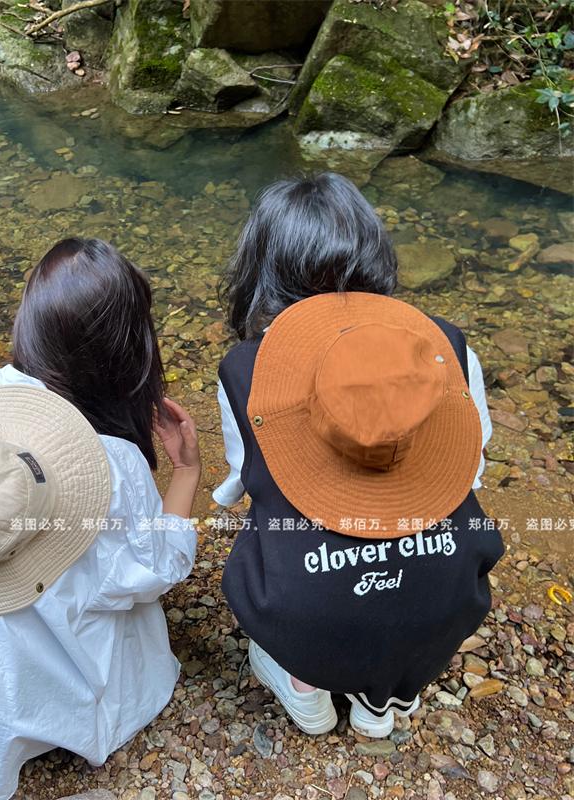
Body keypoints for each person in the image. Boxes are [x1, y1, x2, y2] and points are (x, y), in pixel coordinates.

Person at [0, 238, 201, 800]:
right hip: (13, 692)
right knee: (112, 582)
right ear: (127, 352)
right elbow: (156, 568)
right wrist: (186, 471)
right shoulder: (110, 465)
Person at [213, 174, 504, 738]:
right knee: (426, 575)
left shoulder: (246, 368)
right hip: (445, 599)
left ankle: (305, 686)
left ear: (263, 268)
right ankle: (384, 702)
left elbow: (245, 477)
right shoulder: (446, 345)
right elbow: (472, 467)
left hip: (306, 609)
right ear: (374, 252)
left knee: (268, 530)